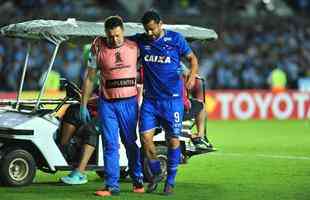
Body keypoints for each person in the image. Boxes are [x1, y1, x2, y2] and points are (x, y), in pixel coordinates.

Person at [133, 10, 199, 195]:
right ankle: (155, 174)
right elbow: (121, 40)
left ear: (161, 24)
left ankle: (170, 181)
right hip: (150, 101)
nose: (150, 33)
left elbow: (193, 59)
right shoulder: (141, 39)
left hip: (172, 101)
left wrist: (192, 77)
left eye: (152, 29)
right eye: (147, 30)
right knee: (145, 140)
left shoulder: (176, 39)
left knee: (173, 141)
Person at [81, 16, 144, 196]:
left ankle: (137, 179)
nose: (114, 39)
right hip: (107, 103)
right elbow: (90, 77)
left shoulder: (135, 47)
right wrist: (83, 104)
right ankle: (111, 185)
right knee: (110, 144)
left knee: (130, 142)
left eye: (117, 35)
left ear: (123, 31)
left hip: (129, 103)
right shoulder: (98, 48)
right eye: (110, 36)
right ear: (105, 34)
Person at [181, 63, 215, 151]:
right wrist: (192, 75)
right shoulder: (176, 62)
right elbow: (187, 73)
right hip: (177, 107)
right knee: (201, 105)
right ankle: (200, 137)